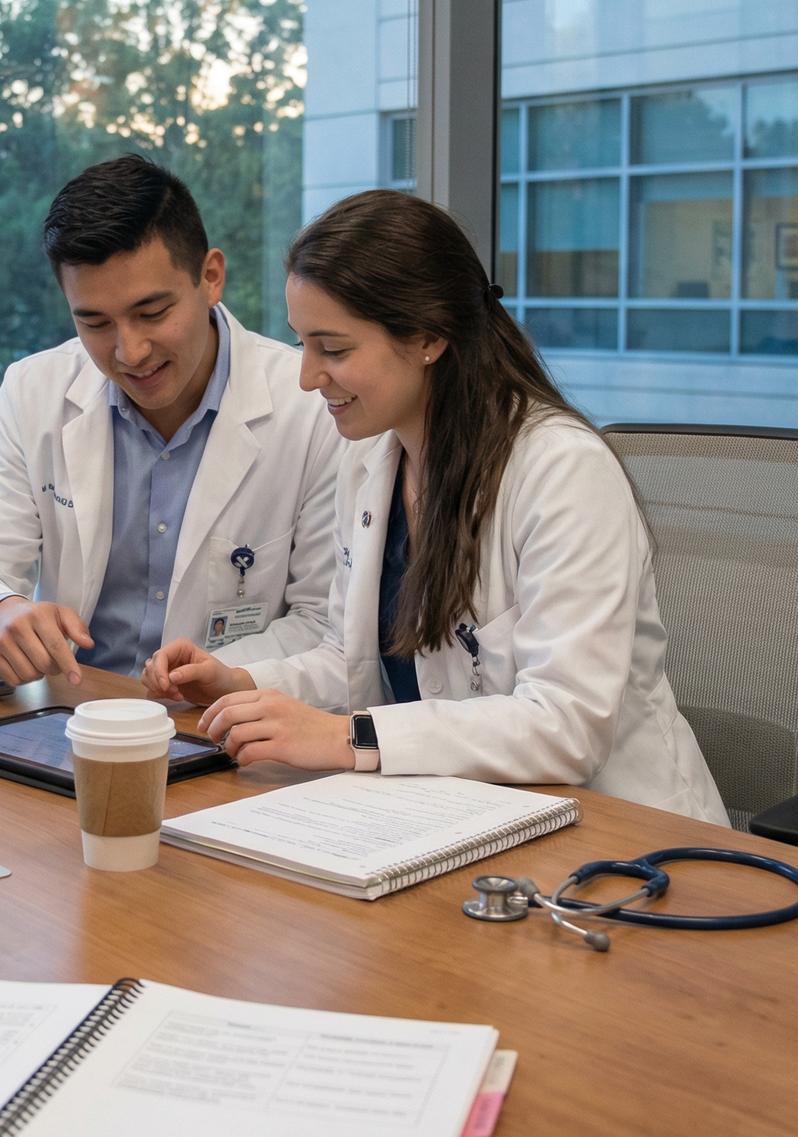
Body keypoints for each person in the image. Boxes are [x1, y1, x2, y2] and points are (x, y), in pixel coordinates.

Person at [142, 189, 726, 824]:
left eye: (333, 349)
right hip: (455, 815)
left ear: (428, 337)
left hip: (617, 833)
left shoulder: (561, 470)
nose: (308, 377)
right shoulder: (371, 460)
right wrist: (243, 682)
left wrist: (347, 738)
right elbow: (356, 660)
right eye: (303, 344)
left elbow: (567, 726)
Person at [0, 154, 344, 689]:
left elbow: (325, 626)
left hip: (219, 731)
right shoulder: (35, 391)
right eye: (94, 322)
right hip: (71, 721)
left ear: (211, 278)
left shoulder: (311, 408)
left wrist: (230, 674)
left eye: (152, 313)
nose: (130, 351)